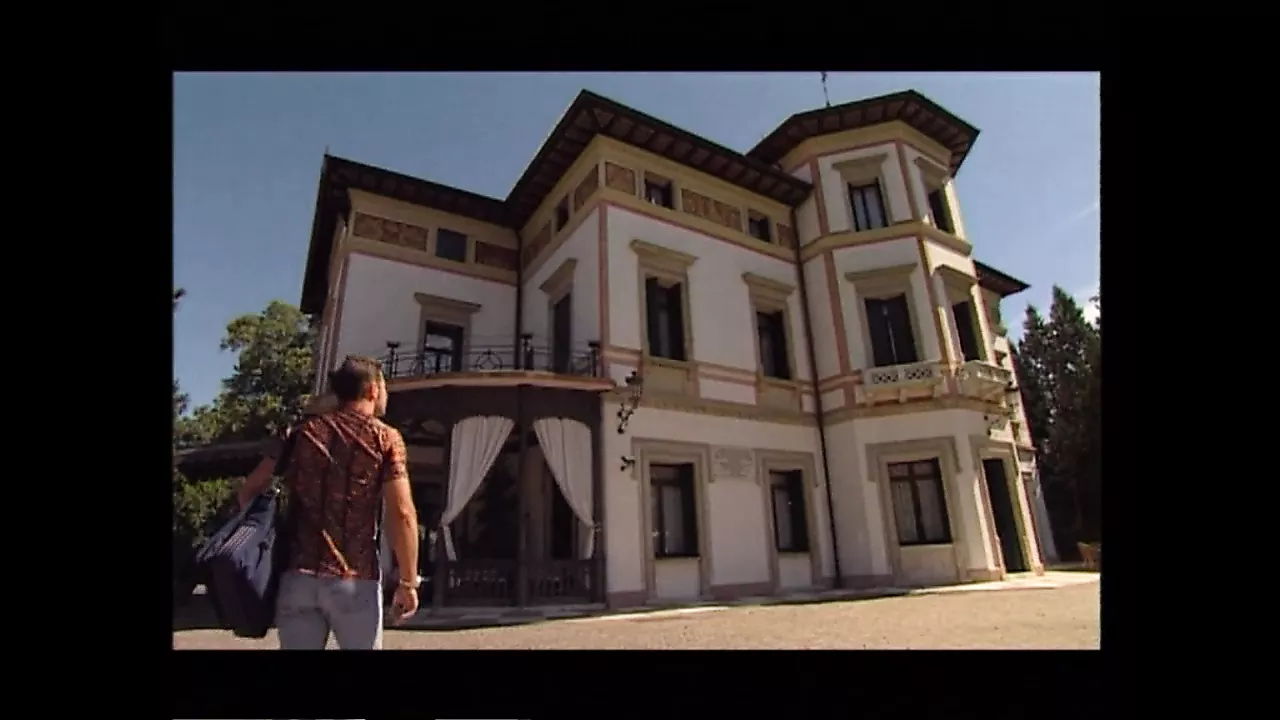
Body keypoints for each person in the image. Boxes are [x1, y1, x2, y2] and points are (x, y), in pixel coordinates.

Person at [236, 355, 420, 650]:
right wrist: (408, 582)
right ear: (372, 389)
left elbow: (249, 491)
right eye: (384, 387)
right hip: (354, 578)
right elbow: (401, 513)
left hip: (297, 576)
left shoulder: (301, 433)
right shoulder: (385, 438)